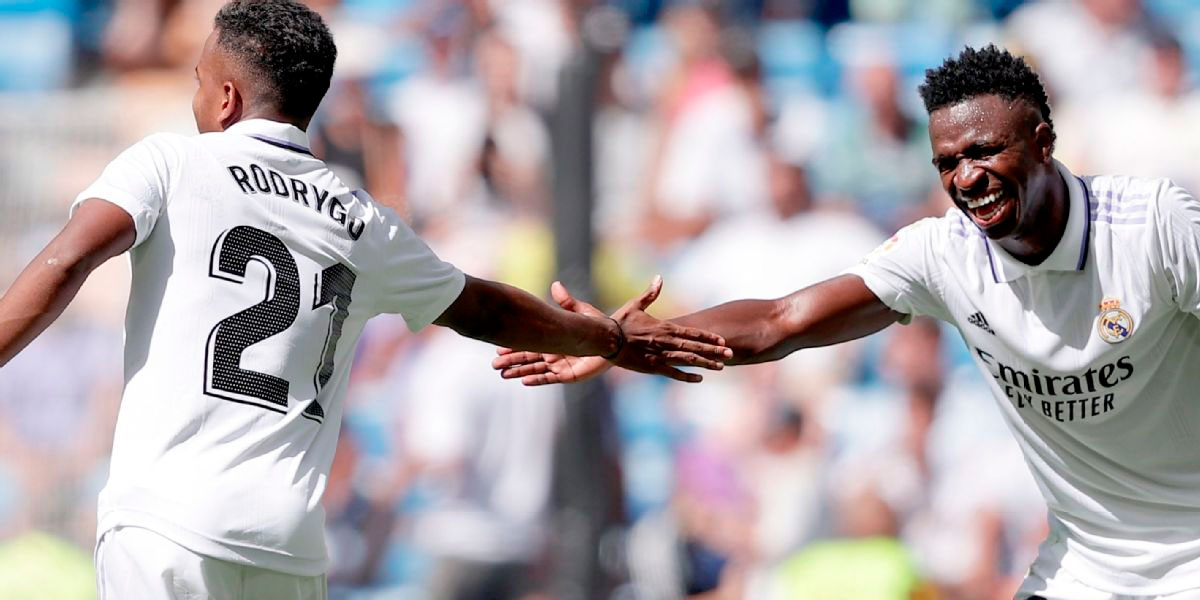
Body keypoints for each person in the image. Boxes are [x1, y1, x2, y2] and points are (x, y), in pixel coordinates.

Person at [0, 1, 733, 598]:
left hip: (165, 529)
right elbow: (484, 307)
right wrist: (604, 338)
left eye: (198, 80)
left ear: (223, 97)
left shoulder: (170, 161)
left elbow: (68, 260)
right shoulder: (359, 217)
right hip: (286, 544)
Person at [495, 44, 1200, 599]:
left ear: (1043, 142)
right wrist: (617, 340)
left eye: (985, 152)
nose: (966, 178)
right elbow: (778, 321)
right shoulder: (942, 253)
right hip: (1083, 569)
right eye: (948, 163)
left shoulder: (1153, 226)